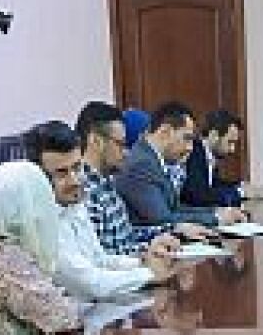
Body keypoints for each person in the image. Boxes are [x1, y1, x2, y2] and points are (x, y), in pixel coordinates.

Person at [22, 122, 175, 300]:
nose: (75, 180)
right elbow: (90, 284)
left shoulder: (73, 203)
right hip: (75, 312)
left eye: (77, 168)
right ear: (38, 178)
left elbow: (99, 260)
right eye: (62, 173)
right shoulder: (40, 221)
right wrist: (150, 274)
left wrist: (143, 262)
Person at [75, 101, 207, 255]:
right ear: (96, 141)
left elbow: (127, 236)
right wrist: (150, 249)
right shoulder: (84, 191)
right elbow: (105, 257)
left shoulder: (107, 182)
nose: (126, 152)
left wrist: (174, 230)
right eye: (120, 144)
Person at [115, 102, 246, 227]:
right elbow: (162, 219)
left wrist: (216, 212)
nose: (190, 148)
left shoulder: (153, 159)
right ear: (165, 131)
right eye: (187, 138)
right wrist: (216, 218)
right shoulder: (141, 164)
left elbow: (175, 208)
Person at [181, 109, 245, 207]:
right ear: (214, 135)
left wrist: (240, 186)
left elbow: (214, 184)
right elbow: (199, 197)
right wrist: (239, 193)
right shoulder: (193, 154)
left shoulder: (207, 155)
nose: (232, 149)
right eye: (230, 142)